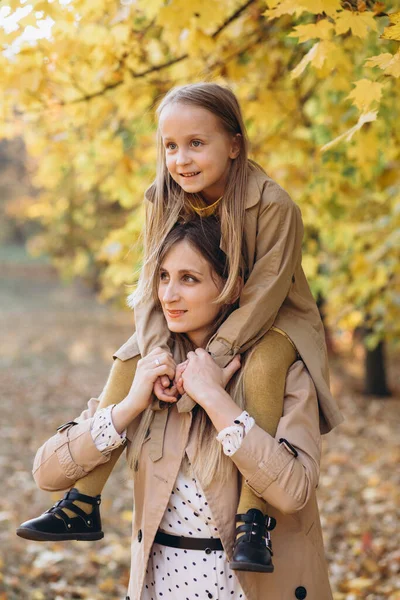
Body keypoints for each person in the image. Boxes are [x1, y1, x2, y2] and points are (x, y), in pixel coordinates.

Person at [17, 82, 343, 572]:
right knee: (132, 359)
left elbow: (266, 291)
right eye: (171, 146)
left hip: (273, 320)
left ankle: (254, 518)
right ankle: (83, 502)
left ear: (234, 144)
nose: (182, 159)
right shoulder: (162, 200)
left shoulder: (273, 204)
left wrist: (212, 359)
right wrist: (157, 356)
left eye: (196, 143)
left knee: (262, 370)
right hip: (200, 315)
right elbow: (152, 286)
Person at [19, 218, 334, 600]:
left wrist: (217, 401)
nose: (168, 295)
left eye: (189, 279)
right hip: (161, 586)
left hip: (251, 589)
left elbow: (294, 492)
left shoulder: (280, 369)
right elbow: (47, 473)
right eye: (163, 276)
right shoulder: (149, 368)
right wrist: (130, 406)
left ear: (231, 287)